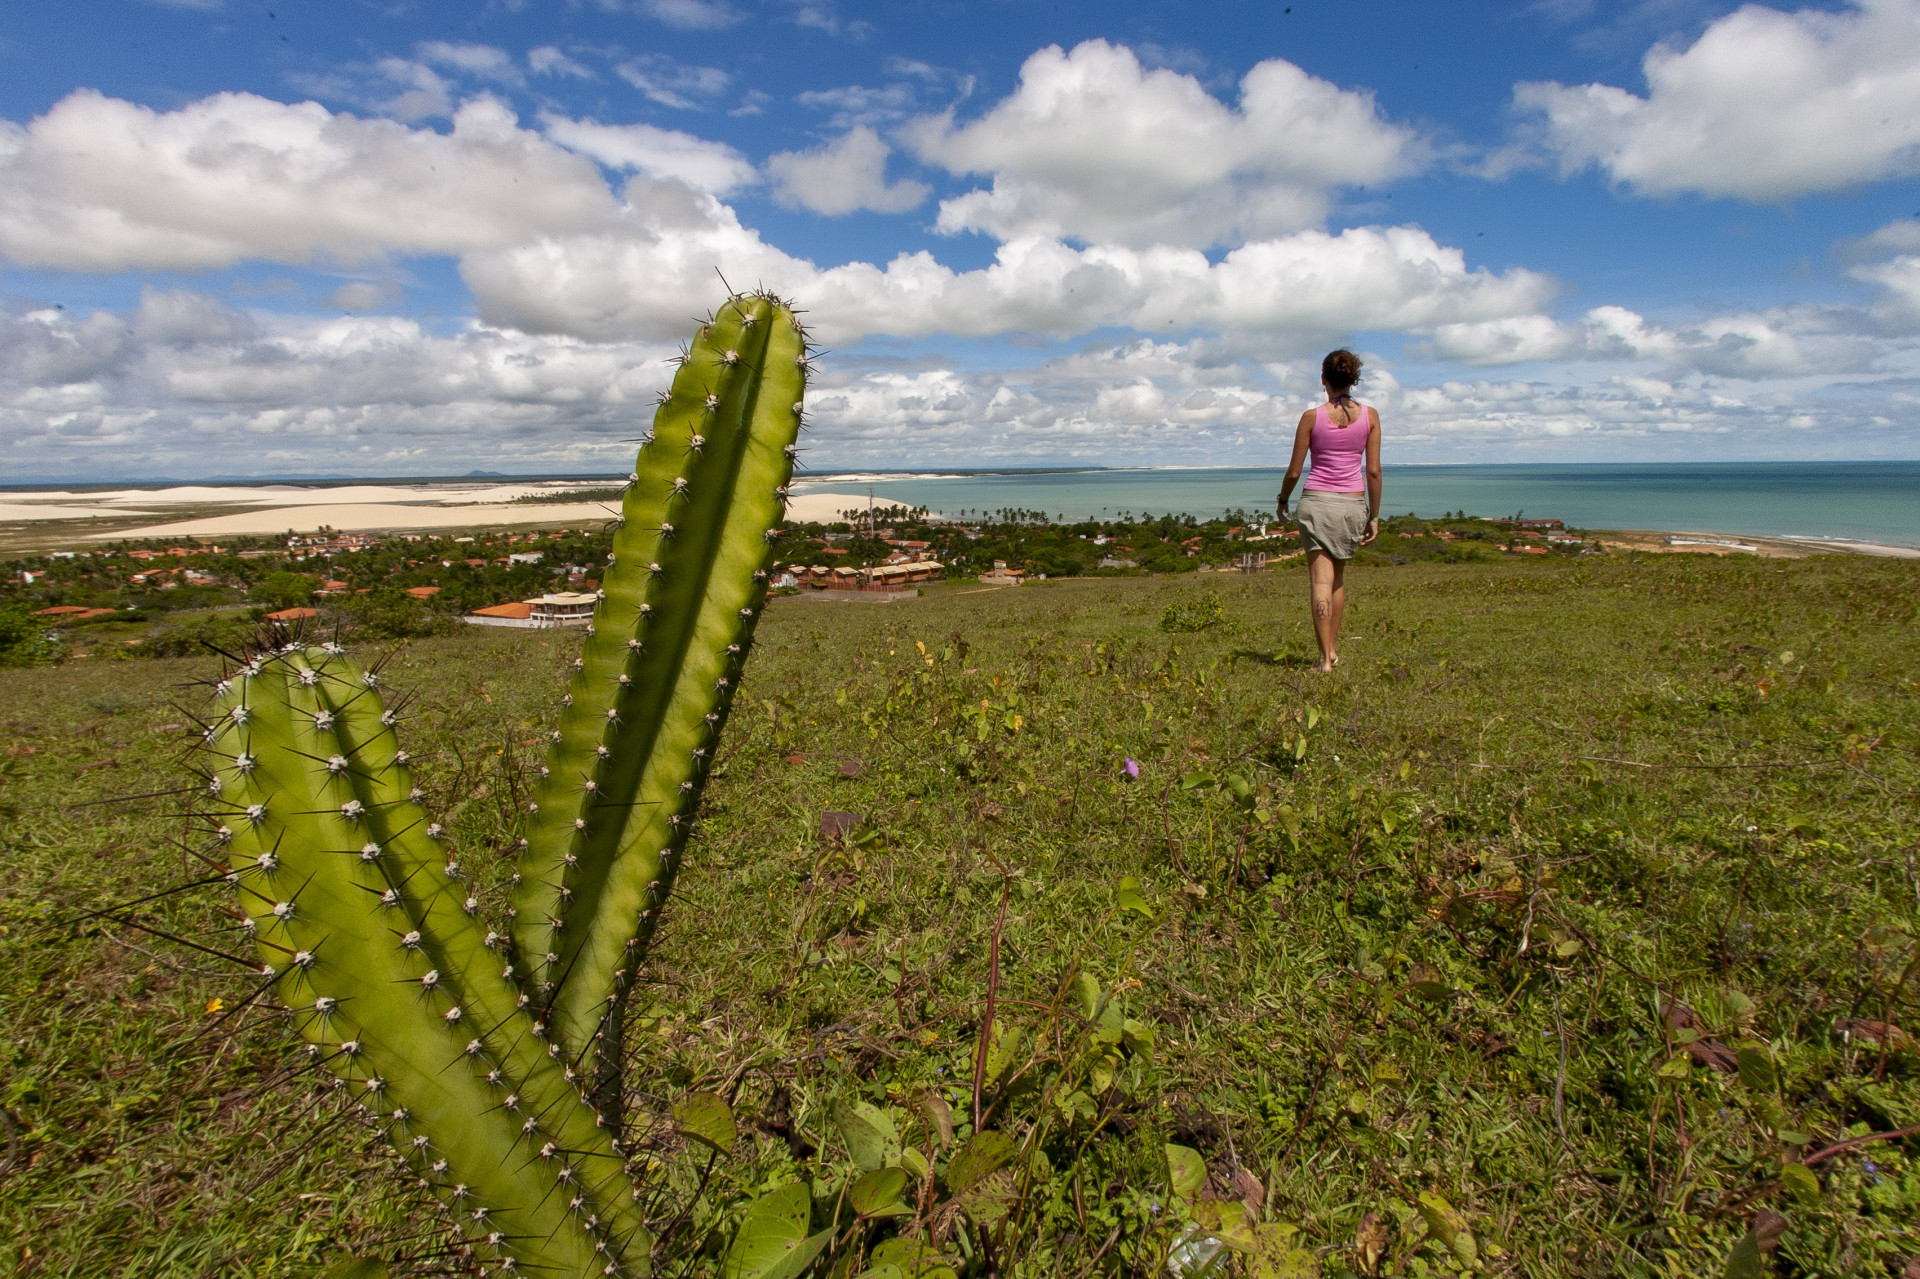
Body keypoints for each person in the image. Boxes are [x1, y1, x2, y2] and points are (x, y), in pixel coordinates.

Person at [1275, 350, 1382, 673]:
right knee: (1337, 581)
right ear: (1353, 379)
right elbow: (1373, 472)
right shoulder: (1371, 416)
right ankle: (1332, 650)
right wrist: (1374, 515)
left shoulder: (1312, 417)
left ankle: (1323, 661)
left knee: (1320, 580)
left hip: (1317, 503)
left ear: (1324, 379)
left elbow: (1294, 471)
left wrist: (1283, 500)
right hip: (1352, 504)